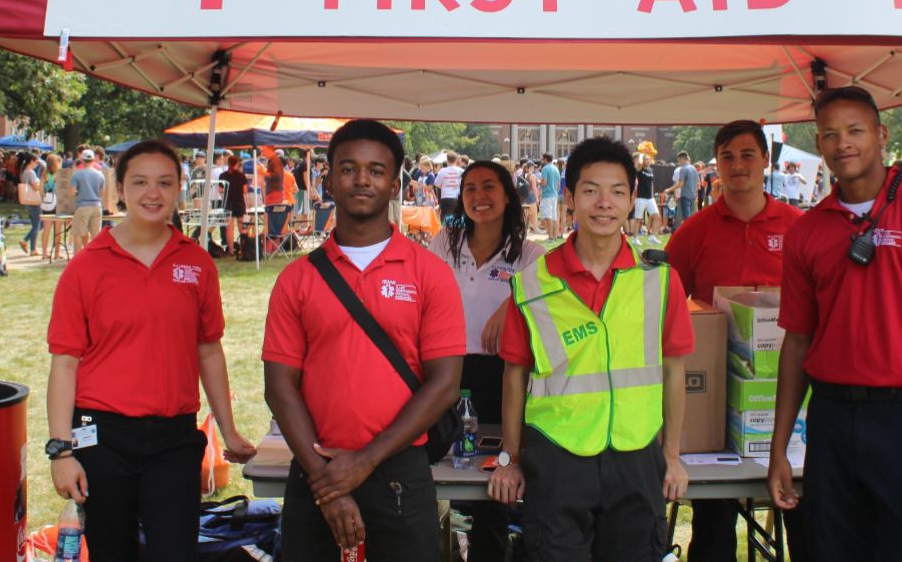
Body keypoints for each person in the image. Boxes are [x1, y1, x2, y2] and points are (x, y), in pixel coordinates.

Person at [767, 86, 902, 561]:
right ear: (818, 145)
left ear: (881, 135)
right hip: (831, 422)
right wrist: (779, 448)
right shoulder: (808, 231)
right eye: (830, 134)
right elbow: (796, 343)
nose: (843, 143)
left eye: (855, 131)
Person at [263, 119, 465, 561]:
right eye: (348, 168)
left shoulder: (429, 272)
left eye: (376, 171)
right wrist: (329, 484)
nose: (361, 180)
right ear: (329, 178)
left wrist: (366, 460)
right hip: (316, 473)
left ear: (395, 185)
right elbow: (279, 386)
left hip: (399, 471)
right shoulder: (297, 278)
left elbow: (445, 384)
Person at [46, 140, 256, 562]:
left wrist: (229, 430)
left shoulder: (196, 263)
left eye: (165, 182)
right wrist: (61, 450)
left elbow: (209, 349)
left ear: (180, 187)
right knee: (112, 552)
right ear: (119, 189)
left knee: (175, 551)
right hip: (100, 437)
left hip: (173, 438)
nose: (152, 193)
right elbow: (64, 364)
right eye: (140, 182)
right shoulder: (86, 266)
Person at [488, 137, 694, 562]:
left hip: (637, 456)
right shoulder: (531, 284)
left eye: (618, 191)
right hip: (557, 458)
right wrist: (509, 458)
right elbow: (514, 376)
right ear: (568, 197)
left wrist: (671, 457)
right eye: (590, 190)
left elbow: (675, 371)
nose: (604, 203)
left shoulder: (659, 280)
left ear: (633, 198)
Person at [666, 120, 805, 562]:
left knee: (807, 513)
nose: (738, 165)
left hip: (788, 393)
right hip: (714, 395)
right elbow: (667, 306)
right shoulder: (694, 231)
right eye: (727, 156)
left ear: (766, 161)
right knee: (713, 522)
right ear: (716, 165)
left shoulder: (798, 226)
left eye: (748, 155)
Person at [429, 160, 544, 561]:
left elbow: (538, 309)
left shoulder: (530, 255)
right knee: (444, 464)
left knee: (495, 473)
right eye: (470, 189)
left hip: (504, 377)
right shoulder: (446, 242)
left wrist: (511, 304)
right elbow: (427, 297)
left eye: (489, 187)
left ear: (509, 195)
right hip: (448, 371)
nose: (479, 197)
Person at [70, 149, 105, 254]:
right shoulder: (100, 175)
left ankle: (77, 258)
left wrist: (78, 193)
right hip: (97, 206)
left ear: (82, 160)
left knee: (78, 233)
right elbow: (102, 192)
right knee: (96, 236)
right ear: (93, 160)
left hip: (83, 206)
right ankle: (95, 258)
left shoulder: (77, 174)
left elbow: (71, 192)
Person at [630, 153, 661, 244]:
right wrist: (641, 154)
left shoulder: (650, 170)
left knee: (656, 216)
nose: (648, 161)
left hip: (650, 198)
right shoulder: (639, 169)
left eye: (649, 159)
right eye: (646, 159)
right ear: (642, 161)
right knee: (638, 219)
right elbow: (639, 163)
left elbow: (650, 184)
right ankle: (635, 238)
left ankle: (652, 237)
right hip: (640, 198)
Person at [219, 155, 247, 256]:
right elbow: (245, 191)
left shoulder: (222, 175)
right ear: (237, 164)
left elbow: (220, 190)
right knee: (242, 228)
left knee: (229, 229)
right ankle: (244, 249)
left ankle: (231, 251)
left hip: (228, 203)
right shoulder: (241, 176)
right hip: (239, 203)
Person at [664, 150, 699, 229]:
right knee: (693, 218)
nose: (679, 162)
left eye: (679, 160)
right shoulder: (694, 168)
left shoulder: (683, 169)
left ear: (681, 159)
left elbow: (680, 184)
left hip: (685, 197)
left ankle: (685, 235)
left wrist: (669, 189)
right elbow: (697, 183)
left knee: (686, 219)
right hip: (693, 197)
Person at [17, 152, 43, 256]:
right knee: (37, 225)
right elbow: (35, 187)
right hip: (34, 201)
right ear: (31, 161)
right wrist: (41, 184)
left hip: (28, 201)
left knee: (35, 225)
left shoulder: (23, 172)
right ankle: (28, 244)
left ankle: (31, 246)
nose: (37, 164)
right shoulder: (31, 172)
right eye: (36, 162)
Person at [40, 154, 65, 260]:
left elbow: (41, 191)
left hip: (47, 204)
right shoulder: (59, 175)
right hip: (58, 204)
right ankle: (57, 253)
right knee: (58, 230)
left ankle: (44, 253)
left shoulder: (44, 175)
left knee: (46, 230)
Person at [435, 151, 465, 218]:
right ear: (456, 160)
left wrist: (444, 187)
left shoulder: (442, 171)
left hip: (445, 197)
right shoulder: (461, 171)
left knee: (445, 219)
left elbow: (436, 183)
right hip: (457, 197)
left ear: (447, 160)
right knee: (458, 218)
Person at [538, 152, 561, 241]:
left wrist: (538, 182)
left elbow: (543, 182)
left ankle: (550, 237)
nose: (542, 161)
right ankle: (555, 236)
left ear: (545, 159)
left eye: (543, 159)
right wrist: (555, 191)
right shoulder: (556, 168)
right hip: (554, 195)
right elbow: (558, 184)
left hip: (547, 194)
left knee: (548, 216)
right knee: (554, 216)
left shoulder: (545, 168)